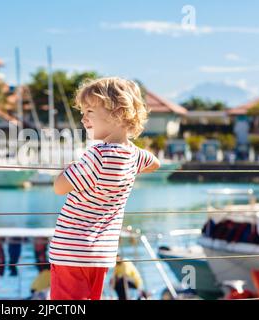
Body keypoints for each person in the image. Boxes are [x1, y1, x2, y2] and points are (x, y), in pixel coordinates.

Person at [49, 77, 160, 300]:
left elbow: (59, 187)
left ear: (117, 112)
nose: (83, 118)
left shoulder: (96, 155)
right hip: (101, 253)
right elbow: (155, 163)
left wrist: (70, 167)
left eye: (89, 111)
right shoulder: (134, 155)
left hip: (71, 250)